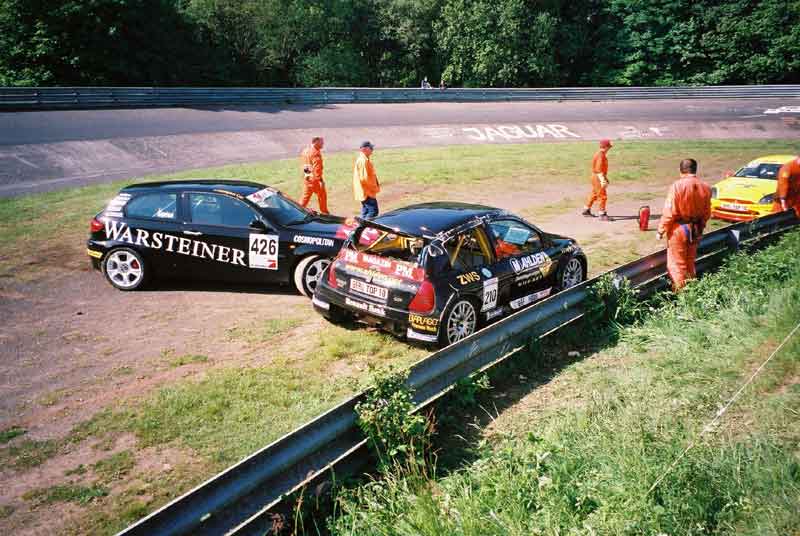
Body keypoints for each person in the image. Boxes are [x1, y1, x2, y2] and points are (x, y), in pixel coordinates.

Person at [656, 158, 712, 291]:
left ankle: (682, 297)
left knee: (677, 265)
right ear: (695, 170)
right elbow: (707, 212)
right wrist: (700, 226)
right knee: (689, 262)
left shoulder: (677, 186)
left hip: (679, 230)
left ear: (680, 170)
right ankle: (692, 291)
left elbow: (670, 212)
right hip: (696, 229)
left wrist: (661, 230)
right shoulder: (706, 187)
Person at [582, 139, 613, 221]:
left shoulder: (600, 154)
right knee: (602, 196)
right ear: (606, 147)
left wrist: (605, 178)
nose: (609, 149)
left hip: (595, 176)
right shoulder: (601, 155)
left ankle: (586, 210)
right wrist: (602, 179)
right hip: (598, 177)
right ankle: (602, 214)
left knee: (594, 194)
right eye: (608, 147)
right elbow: (599, 169)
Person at [299, 136, 328, 214]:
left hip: (307, 178)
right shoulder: (315, 153)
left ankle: (297, 211)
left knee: (305, 198)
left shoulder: (305, 151)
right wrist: (320, 181)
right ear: (316, 142)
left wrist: (308, 176)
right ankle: (325, 214)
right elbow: (317, 169)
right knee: (322, 196)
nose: (323, 144)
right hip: (315, 180)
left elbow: (304, 165)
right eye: (321, 142)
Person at [353, 141, 380, 218]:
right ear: (364, 149)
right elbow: (365, 178)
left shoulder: (364, 159)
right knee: (373, 212)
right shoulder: (363, 161)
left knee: (366, 211)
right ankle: (366, 228)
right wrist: (373, 189)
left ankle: (359, 228)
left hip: (365, 191)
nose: (372, 149)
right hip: (367, 192)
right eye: (370, 148)